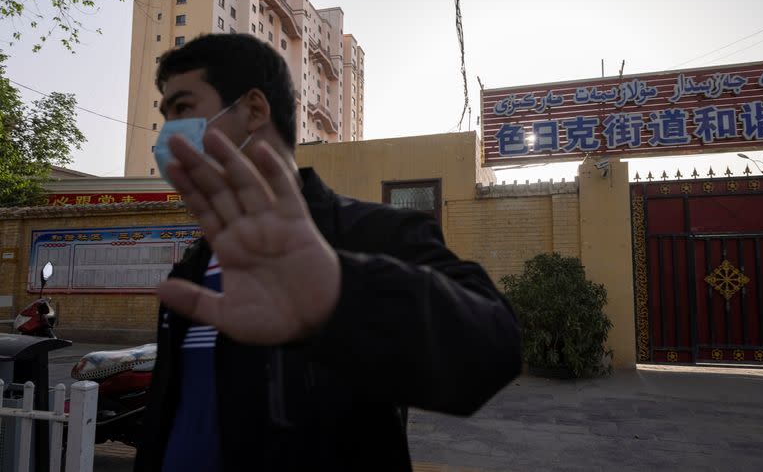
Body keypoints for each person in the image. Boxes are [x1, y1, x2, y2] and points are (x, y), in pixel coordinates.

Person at [133, 33, 521, 472]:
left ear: (255, 110)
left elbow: (492, 350)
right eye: (164, 116)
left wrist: (341, 293)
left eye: (183, 109)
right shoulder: (193, 267)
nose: (168, 135)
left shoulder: (373, 233)